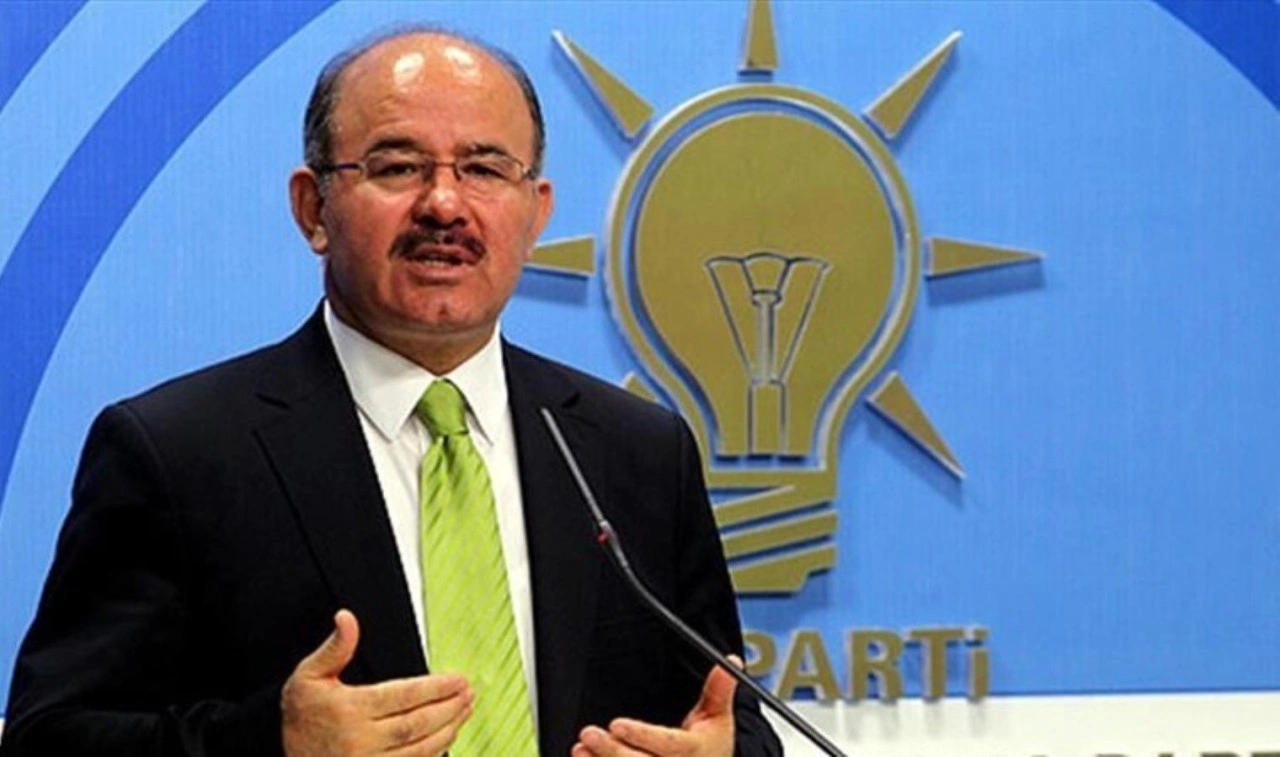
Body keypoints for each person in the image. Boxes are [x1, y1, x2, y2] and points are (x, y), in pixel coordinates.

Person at [1, 26, 781, 757]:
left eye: (484, 169)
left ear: (536, 212)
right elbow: (49, 735)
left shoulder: (638, 451)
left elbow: (730, 719)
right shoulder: (179, 452)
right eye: (398, 166)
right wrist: (271, 740)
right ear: (313, 208)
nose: (444, 205)